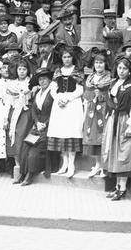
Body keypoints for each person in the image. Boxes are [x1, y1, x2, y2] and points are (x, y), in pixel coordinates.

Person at [102, 56, 131, 200]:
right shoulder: (113, 83)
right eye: (119, 68)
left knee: (124, 153)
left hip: (125, 120)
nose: (122, 71)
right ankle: (117, 186)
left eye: (125, 68)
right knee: (113, 152)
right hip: (113, 119)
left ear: (129, 70)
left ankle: (123, 188)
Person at [46, 47, 84, 178]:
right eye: (64, 57)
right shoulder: (57, 71)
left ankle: (72, 164)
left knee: (71, 133)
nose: (66, 59)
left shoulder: (77, 71)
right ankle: (64, 163)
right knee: (61, 133)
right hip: (59, 106)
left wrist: (67, 98)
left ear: (72, 58)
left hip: (73, 105)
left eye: (68, 57)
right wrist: (59, 99)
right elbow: (52, 89)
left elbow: (80, 90)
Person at [16, 68, 55, 186]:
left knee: (34, 151)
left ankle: (30, 175)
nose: (42, 81)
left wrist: (45, 124)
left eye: (44, 79)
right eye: (40, 79)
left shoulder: (52, 93)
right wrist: (37, 122)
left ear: (49, 80)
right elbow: (33, 111)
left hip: (49, 127)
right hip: (37, 126)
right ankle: (22, 174)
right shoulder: (38, 94)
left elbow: (54, 111)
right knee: (25, 147)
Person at [82, 52, 113, 178]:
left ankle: (104, 166)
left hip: (104, 109)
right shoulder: (90, 78)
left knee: (103, 137)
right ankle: (97, 164)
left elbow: (111, 94)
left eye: (101, 62)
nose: (98, 65)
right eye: (96, 63)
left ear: (105, 64)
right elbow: (87, 94)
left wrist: (100, 95)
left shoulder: (109, 78)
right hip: (91, 110)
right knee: (93, 137)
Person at [5, 58, 33, 172]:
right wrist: (5, 118)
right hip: (13, 112)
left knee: (22, 137)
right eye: (19, 69)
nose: (21, 71)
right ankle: (17, 166)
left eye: (24, 69)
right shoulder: (11, 83)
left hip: (25, 113)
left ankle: (25, 167)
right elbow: (8, 101)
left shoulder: (31, 82)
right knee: (13, 137)